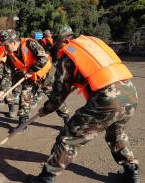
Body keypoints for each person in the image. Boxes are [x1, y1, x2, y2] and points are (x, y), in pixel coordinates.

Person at [26, 26, 140, 183]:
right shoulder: (93, 42)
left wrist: (46, 109)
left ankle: (46, 178)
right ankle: (132, 173)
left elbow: (58, 96)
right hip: (130, 92)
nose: (55, 48)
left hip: (107, 97)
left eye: (56, 44)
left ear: (65, 40)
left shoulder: (69, 54)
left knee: (69, 136)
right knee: (116, 133)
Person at [0, 29, 70, 131]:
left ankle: (67, 120)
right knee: (24, 97)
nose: (5, 49)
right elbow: (7, 73)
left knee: (55, 99)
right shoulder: (10, 55)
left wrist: (31, 70)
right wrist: (3, 90)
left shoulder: (29, 43)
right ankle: (22, 124)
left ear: (14, 42)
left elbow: (43, 58)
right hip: (31, 78)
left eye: (6, 46)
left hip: (46, 75)